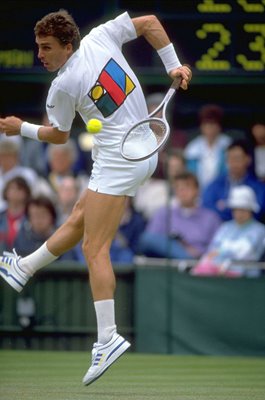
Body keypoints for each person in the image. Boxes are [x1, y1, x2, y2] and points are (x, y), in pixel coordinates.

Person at [0, 10, 192, 385]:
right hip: (140, 150)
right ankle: (23, 268)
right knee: (78, 216)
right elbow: (150, 23)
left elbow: (58, 137)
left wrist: (17, 128)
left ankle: (107, 337)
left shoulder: (63, 86)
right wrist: (173, 65)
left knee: (94, 248)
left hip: (119, 158)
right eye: (38, 46)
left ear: (67, 46)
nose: (40, 54)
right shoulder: (102, 34)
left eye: (47, 48)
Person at [137, 172, 221, 259]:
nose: (182, 192)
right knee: (146, 238)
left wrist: (196, 252)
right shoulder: (164, 213)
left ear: (197, 190)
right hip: (165, 260)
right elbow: (149, 240)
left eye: (186, 187)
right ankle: (185, 257)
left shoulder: (211, 218)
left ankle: (187, 259)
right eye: (178, 188)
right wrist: (178, 247)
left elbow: (216, 248)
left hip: (199, 262)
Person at [192, 186, 265, 277]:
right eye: (236, 209)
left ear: (251, 209)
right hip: (217, 278)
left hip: (246, 281)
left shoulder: (260, 231)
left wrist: (222, 256)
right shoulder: (225, 227)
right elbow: (211, 251)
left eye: (243, 209)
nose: (239, 213)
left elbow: (245, 253)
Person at [202, 139, 265, 222]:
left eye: (237, 158)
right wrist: (238, 211)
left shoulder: (258, 187)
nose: (233, 163)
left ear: (248, 159)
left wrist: (224, 208)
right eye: (230, 158)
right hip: (219, 228)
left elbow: (257, 212)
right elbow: (207, 207)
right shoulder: (216, 183)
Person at [184, 104, 231, 188]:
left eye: (213, 124)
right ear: (201, 126)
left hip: (223, 189)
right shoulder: (193, 148)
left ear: (219, 126)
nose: (209, 127)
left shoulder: (228, 145)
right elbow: (190, 174)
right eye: (206, 124)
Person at [0, 177, 31, 253]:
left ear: (26, 192)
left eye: (19, 189)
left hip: (24, 258)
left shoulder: (31, 217)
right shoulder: (1, 216)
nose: (15, 192)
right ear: (6, 192)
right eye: (12, 188)